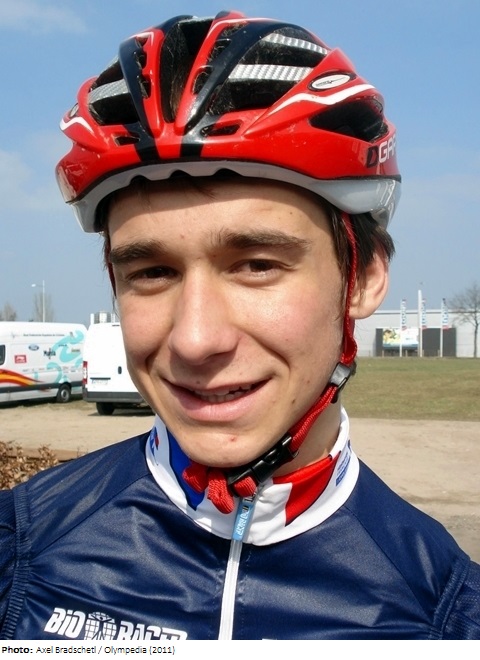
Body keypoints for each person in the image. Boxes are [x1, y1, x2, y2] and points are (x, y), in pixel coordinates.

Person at [0, 10, 479, 641]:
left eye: (257, 265)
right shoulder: (21, 553)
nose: (195, 339)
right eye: (152, 272)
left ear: (362, 279)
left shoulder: (446, 616)